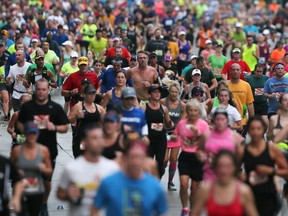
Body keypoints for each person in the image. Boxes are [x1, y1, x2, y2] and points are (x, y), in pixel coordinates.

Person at [17, 78, 69, 215]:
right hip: (30, 150)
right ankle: (29, 203)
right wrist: (25, 132)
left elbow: (65, 128)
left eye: (43, 89)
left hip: (49, 149)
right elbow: (20, 123)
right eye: (38, 89)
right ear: (35, 90)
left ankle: (43, 203)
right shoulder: (28, 107)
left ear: (48, 90)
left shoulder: (55, 108)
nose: (41, 92)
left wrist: (54, 127)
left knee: (46, 181)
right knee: (28, 178)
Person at [91, 141, 168, 216]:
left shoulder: (155, 186)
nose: (135, 162)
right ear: (124, 158)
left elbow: (162, 212)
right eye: (132, 157)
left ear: (145, 159)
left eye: (139, 157)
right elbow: (95, 209)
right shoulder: (108, 182)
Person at [57, 124, 119, 216]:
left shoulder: (113, 168)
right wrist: (68, 194)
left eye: (101, 138)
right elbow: (60, 193)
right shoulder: (72, 168)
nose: (99, 141)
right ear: (85, 142)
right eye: (94, 138)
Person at [238, 116, 288, 216]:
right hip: (249, 195)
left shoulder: (271, 148)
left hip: (268, 195)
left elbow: (286, 170)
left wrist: (271, 171)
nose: (255, 132)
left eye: (258, 128)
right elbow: (232, 169)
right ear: (248, 130)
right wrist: (239, 175)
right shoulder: (242, 150)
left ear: (264, 130)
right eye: (252, 129)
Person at [170, 99, 209, 216]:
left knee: (195, 187)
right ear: (187, 111)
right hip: (185, 156)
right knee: (183, 184)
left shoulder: (203, 125)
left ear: (199, 112)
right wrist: (174, 138)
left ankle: (193, 209)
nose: (192, 113)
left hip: (198, 157)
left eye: (195, 110)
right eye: (190, 110)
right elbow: (175, 135)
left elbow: (207, 142)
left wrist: (198, 134)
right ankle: (185, 208)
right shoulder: (182, 124)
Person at [192, 150, 259, 216]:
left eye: (228, 166)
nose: (224, 170)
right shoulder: (206, 190)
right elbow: (195, 213)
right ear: (215, 167)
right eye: (220, 166)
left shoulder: (244, 191)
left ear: (234, 168)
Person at [11, 121, 52, 216]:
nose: (31, 136)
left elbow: (49, 172)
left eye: (34, 133)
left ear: (37, 134)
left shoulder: (43, 150)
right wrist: (16, 171)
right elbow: (10, 168)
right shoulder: (17, 151)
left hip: (37, 190)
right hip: (20, 189)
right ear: (25, 134)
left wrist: (43, 169)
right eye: (29, 133)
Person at [199, 108, 243, 181]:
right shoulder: (206, 135)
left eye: (222, 119)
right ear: (213, 121)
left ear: (227, 121)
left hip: (228, 174)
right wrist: (201, 156)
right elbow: (199, 150)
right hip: (210, 172)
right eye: (217, 119)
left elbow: (241, 156)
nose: (220, 122)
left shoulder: (235, 137)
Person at [142, 85, 173, 178]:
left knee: (161, 163)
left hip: (160, 139)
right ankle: (147, 183)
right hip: (148, 139)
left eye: (158, 92)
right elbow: (140, 123)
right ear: (150, 94)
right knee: (148, 163)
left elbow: (168, 124)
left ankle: (157, 182)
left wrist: (170, 124)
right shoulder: (143, 108)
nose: (157, 94)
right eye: (154, 92)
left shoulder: (164, 109)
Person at [160, 81, 186, 191]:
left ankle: (170, 182)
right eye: (172, 92)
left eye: (176, 92)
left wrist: (176, 131)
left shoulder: (182, 105)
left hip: (175, 134)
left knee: (173, 158)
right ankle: (160, 177)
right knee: (164, 160)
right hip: (164, 133)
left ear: (179, 93)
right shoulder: (163, 101)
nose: (174, 94)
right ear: (169, 92)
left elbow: (182, 121)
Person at [68, 85, 105, 158]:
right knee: (81, 157)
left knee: (95, 158)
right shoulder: (78, 106)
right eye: (89, 94)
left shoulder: (99, 108)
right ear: (84, 95)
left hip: (95, 139)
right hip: (82, 139)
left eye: (93, 94)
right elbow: (68, 120)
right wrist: (76, 116)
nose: (92, 96)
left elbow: (105, 124)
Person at [228, 63, 254, 136]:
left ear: (240, 71)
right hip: (228, 121)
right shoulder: (225, 85)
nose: (235, 72)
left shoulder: (246, 85)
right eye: (233, 70)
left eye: (237, 70)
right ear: (230, 71)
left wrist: (252, 121)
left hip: (242, 120)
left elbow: (250, 104)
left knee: (241, 142)